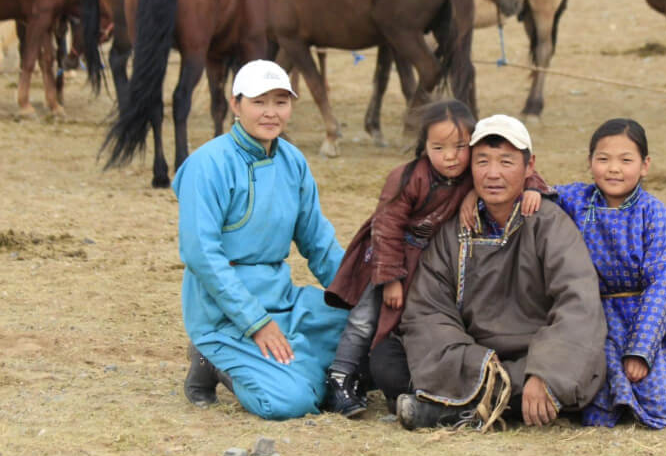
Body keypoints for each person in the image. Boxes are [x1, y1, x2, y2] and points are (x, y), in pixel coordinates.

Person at [322, 101, 553, 417]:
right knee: (367, 317)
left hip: (432, 261)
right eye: (439, 147)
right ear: (424, 147)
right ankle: (341, 376)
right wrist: (390, 279)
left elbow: (514, 170)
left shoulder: (473, 175)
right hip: (393, 256)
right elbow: (386, 227)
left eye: (460, 147)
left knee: (410, 320)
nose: (450, 156)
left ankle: (384, 373)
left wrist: (534, 189)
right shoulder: (407, 177)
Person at [390, 114, 608, 430]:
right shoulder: (455, 229)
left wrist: (544, 372)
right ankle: (491, 399)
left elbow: (578, 304)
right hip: (469, 356)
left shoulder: (550, 224)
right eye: (482, 162)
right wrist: (473, 360)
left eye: (506, 162)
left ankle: (451, 410)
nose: (493, 174)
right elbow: (429, 307)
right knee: (389, 369)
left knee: (579, 371)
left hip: (532, 356)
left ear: (529, 166)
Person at [173, 59, 350, 420]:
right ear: (236, 104)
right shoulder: (208, 164)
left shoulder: (293, 161)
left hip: (282, 299)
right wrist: (256, 322)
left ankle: (295, 367)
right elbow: (201, 254)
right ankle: (211, 359)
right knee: (291, 402)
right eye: (259, 101)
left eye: (280, 102)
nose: (271, 113)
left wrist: (358, 297)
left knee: (366, 332)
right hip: (224, 311)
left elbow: (319, 242)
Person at [539, 118, 666, 428]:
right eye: (603, 159)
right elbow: (540, 194)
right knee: (594, 404)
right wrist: (534, 193)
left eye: (626, 160)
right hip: (597, 319)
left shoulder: (656, 215)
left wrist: (641, 350)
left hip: (650, 322)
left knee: (665, 399)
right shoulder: (576, 200)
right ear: (589, 162)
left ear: (644, 165)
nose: (614, 169)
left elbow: (662, 286)